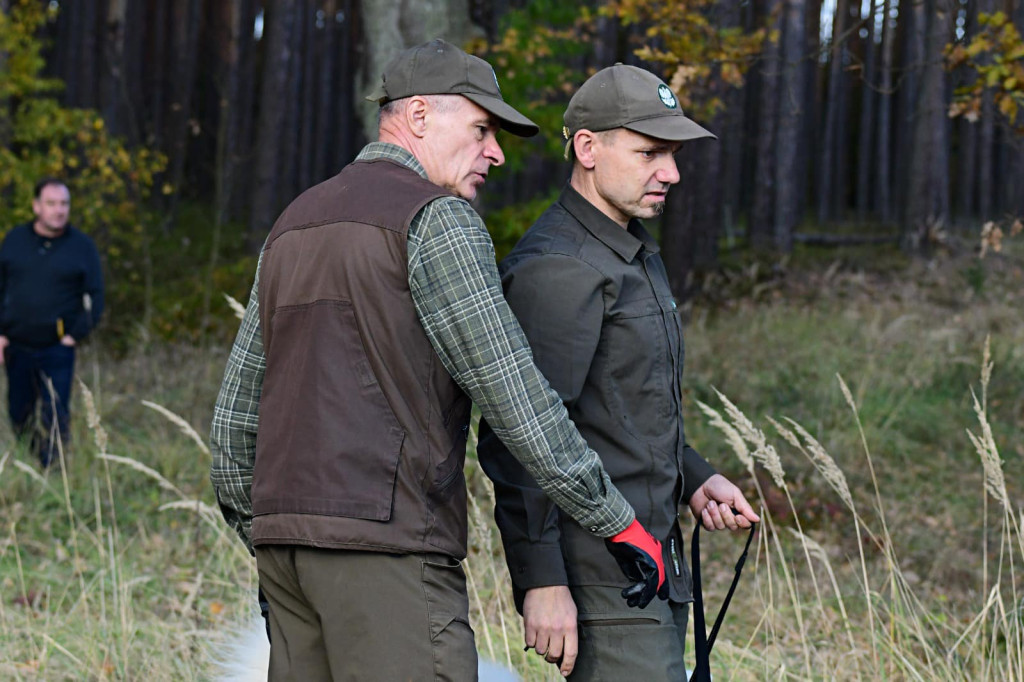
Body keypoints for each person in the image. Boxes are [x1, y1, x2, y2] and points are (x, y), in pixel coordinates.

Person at [209, 41, 668, 682]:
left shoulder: (295, 222)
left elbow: (233, 425)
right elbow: (516, 398)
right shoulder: (436, 219)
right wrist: (617, 523)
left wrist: (264, 534)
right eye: (482, 129)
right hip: (389, 554)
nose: (496, 152)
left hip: (286, 558)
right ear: (419, 116)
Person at [477, 64, 760, 680]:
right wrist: (543, 581)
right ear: (587, 147)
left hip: (651, 567)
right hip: (602, 584)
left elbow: (623, 407)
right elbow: (517, 437)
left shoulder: (626, 252)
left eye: (674, 154)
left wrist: (694, 477)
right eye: (649, 152)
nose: (671, 173)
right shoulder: (559, 268)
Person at [0, 178, 104, 468]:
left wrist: (74, 335)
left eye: (64, 204)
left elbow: (96, 297)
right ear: (36, 207)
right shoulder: (15, 241)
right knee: (18, 411)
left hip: (57, 348)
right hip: (16, 345)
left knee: (55, 411)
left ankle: (54, 467)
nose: (59, 210)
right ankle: (30, 456)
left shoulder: (82, 247)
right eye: (51, 203)